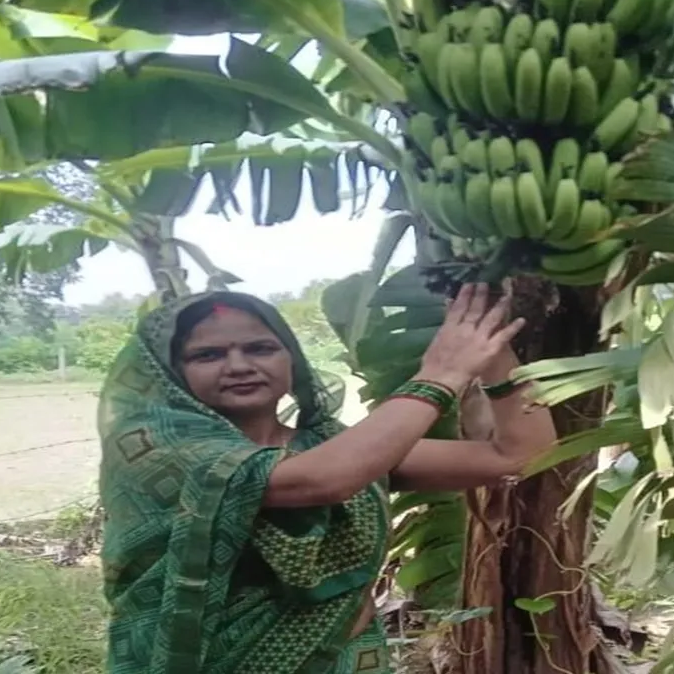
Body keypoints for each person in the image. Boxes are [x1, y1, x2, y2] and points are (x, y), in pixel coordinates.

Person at [97, 282, 555, 674]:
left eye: (260, 348)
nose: (238, 365)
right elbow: (319, 481)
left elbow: (517, 454)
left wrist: (491, 351)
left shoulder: (330, 445)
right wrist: (441, 375)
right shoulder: (161, 453)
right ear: (172, 375)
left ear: (291, 360)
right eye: (208, 354)